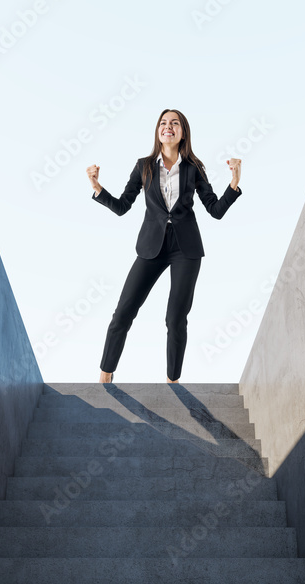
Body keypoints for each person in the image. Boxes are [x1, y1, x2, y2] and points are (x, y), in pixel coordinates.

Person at [87, 108, 242, 384]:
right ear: (158, 131)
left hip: (186, 249)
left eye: (174, 123)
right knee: (123, 312)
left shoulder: (194, 168)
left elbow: (215, 210)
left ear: (183, 133)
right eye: (163, 123)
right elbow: (123, 206)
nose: (167, 126)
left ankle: (173, 383)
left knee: (175, 318)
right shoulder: (144, 166)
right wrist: (98, 188)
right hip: (151, 247)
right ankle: (105, 375)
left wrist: (234, 183)